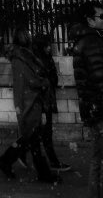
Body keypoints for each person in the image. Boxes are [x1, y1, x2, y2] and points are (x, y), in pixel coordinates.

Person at [0, 27, 59, 183]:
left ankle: (9, 161)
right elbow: (31, 79)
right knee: (32, 138)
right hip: (29, 102)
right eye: (27, 35)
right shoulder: (21, 57)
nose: (30, 37)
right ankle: (9, 161)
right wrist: (45, 82)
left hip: (29, 101)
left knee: (32, 139)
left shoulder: (21, 56)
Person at [72, 1, 103, 198]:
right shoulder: (93, 43)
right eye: (101, 16)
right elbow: (102, 83)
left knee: (97, 161)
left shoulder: (82, 41)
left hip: (93, 111)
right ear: (90, 20)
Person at [34, 32, 72, 172]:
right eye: (47, 45)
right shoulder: (39, 60)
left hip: (46, 100)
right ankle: (53, 162)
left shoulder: (44, 58)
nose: (50, 48)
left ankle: (11, 156)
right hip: (43, 102)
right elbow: (42, 82)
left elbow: (52, 79)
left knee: (37, 134)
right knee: (45, 133)